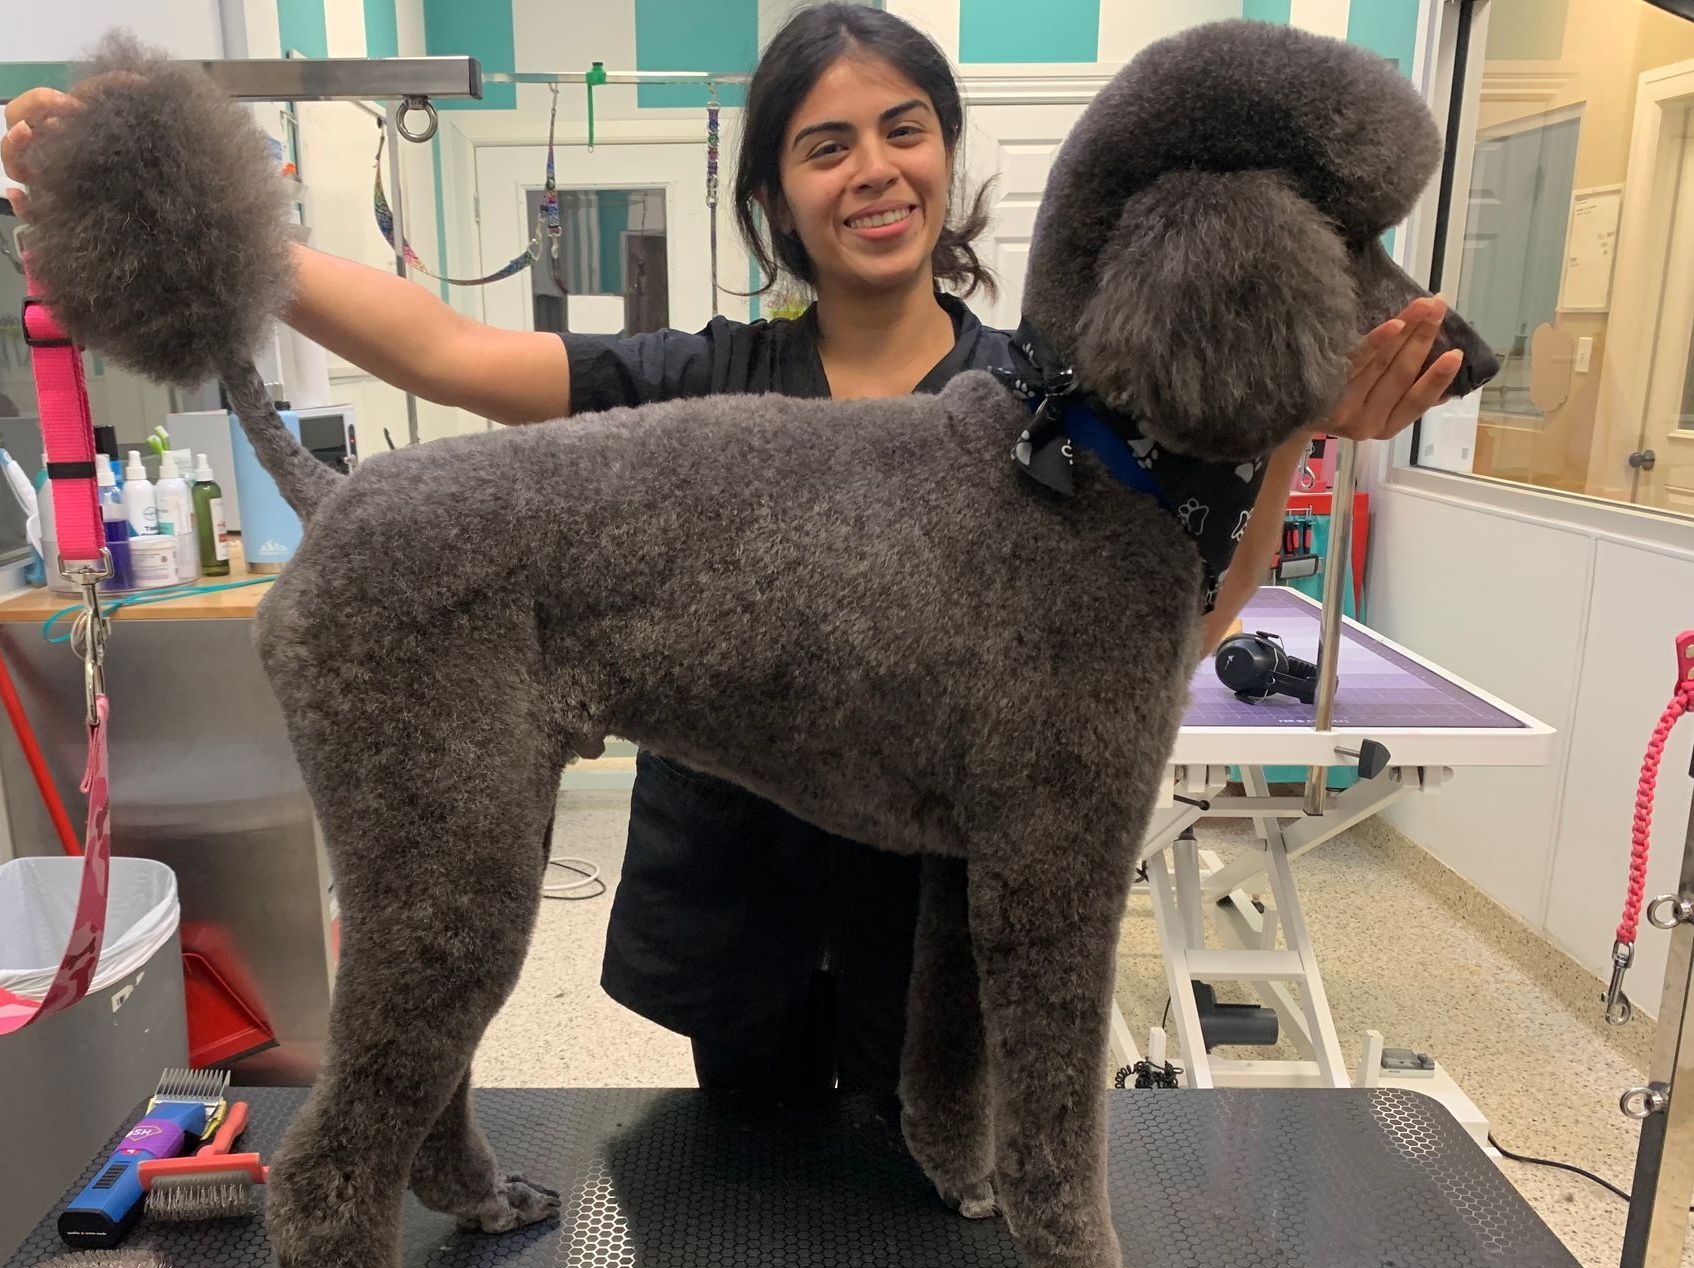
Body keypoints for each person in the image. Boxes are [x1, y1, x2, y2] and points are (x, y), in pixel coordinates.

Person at [2, 3, 1459, 1105]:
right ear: (775, 194)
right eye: (826, 145)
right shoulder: (698, 380)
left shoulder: (1049, 408)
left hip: (931, 956)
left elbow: (1172, 639)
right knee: (730, 1249)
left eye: (903, 129)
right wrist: (174, 223)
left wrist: (1295, 428)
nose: (873, 170)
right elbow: (447, 350)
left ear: (949, 156)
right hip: (734, 938)